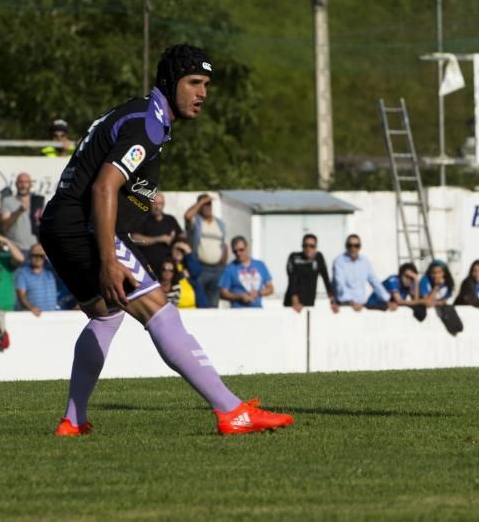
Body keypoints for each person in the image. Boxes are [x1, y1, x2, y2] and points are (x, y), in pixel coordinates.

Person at [39, 44, 292, 436]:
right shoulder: (147, 122)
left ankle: (73, 421)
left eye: (206, 84)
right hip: (85, 225)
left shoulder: (140, 114)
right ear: (170, 82)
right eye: (193, 82)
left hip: (60, 224)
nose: (202, 93)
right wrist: (109, 258)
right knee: (162, 313)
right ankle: (232, 411)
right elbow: (105, 188)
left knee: (107, 316)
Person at [184, 193, 227, 309]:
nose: (208, 207)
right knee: (200, 303)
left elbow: (223, 245)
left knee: (214, 303)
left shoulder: (219, 224)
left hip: (217, 269)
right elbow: (187, 216)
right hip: (200, 268)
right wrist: (201, 202)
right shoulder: (197, 222)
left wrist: (223, 264)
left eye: (209, 204)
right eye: (205, 204)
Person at [331, 234, 390, 312]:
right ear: (346, 246)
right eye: (350, 245)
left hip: (361, 306)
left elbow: (375, 282)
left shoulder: (365, 262)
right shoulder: (339, 261)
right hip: (344, 306)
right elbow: (340, 286)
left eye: (356, 245)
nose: (353, 248)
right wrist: (352, 302)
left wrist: (388, 299)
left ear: (360, 247)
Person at [130, 191, 183, 277]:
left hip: (167, 270)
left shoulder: (170, 219)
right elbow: (135, 239)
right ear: (149, 203)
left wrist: (177, 246)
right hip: (148, 268)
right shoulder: (143, 219)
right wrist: (159, 239)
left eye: (160, 203)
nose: (157, 207)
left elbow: (181, 236)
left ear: (164, 204)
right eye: (155, 203)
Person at [218, 236, 273, 309]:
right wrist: (239, 297)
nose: (238, 253)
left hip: (257, 310)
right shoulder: (230, 268)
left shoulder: (260, 265)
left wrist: (258, 293)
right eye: (235, 251)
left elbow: (270, 288)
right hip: (238, 311)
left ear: (247, 248)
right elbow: (222, 293)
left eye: (241, 250)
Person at [284, 233, 333, 313]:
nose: (308, 248)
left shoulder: (319, 257)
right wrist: (295, 301)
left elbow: (326, 279)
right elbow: (292, 280)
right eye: (305, 245)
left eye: (311, 246)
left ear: (316, 247)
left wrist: (332, 300)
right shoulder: (294, 257)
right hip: (292, 304)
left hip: (309, 303)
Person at [0, 173, 44, 253]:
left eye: (26, 182)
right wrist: (19, 211)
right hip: (15, 248)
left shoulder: (38, 201)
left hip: (35, 249)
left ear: (30, 184)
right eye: (20, 182)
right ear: (16, 184)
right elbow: (5, 225)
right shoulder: (7, 201)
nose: (23, 185)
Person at [419, 259, 463, 335]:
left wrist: (438, 302)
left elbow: (447, 301)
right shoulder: (425, 280)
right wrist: (437, 287)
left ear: (444, 273)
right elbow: (428, 302)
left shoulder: (448, 282)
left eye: (439, 272)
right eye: (433, 273)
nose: (436, 275)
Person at [15, 242, 58, 315]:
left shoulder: (50, 272)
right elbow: (21, 295)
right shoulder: (23, 273)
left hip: (52, 315)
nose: (38, 258)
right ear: (30, 256)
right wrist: (31, 308)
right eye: (34, 255)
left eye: (41, 256)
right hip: (33, 316)